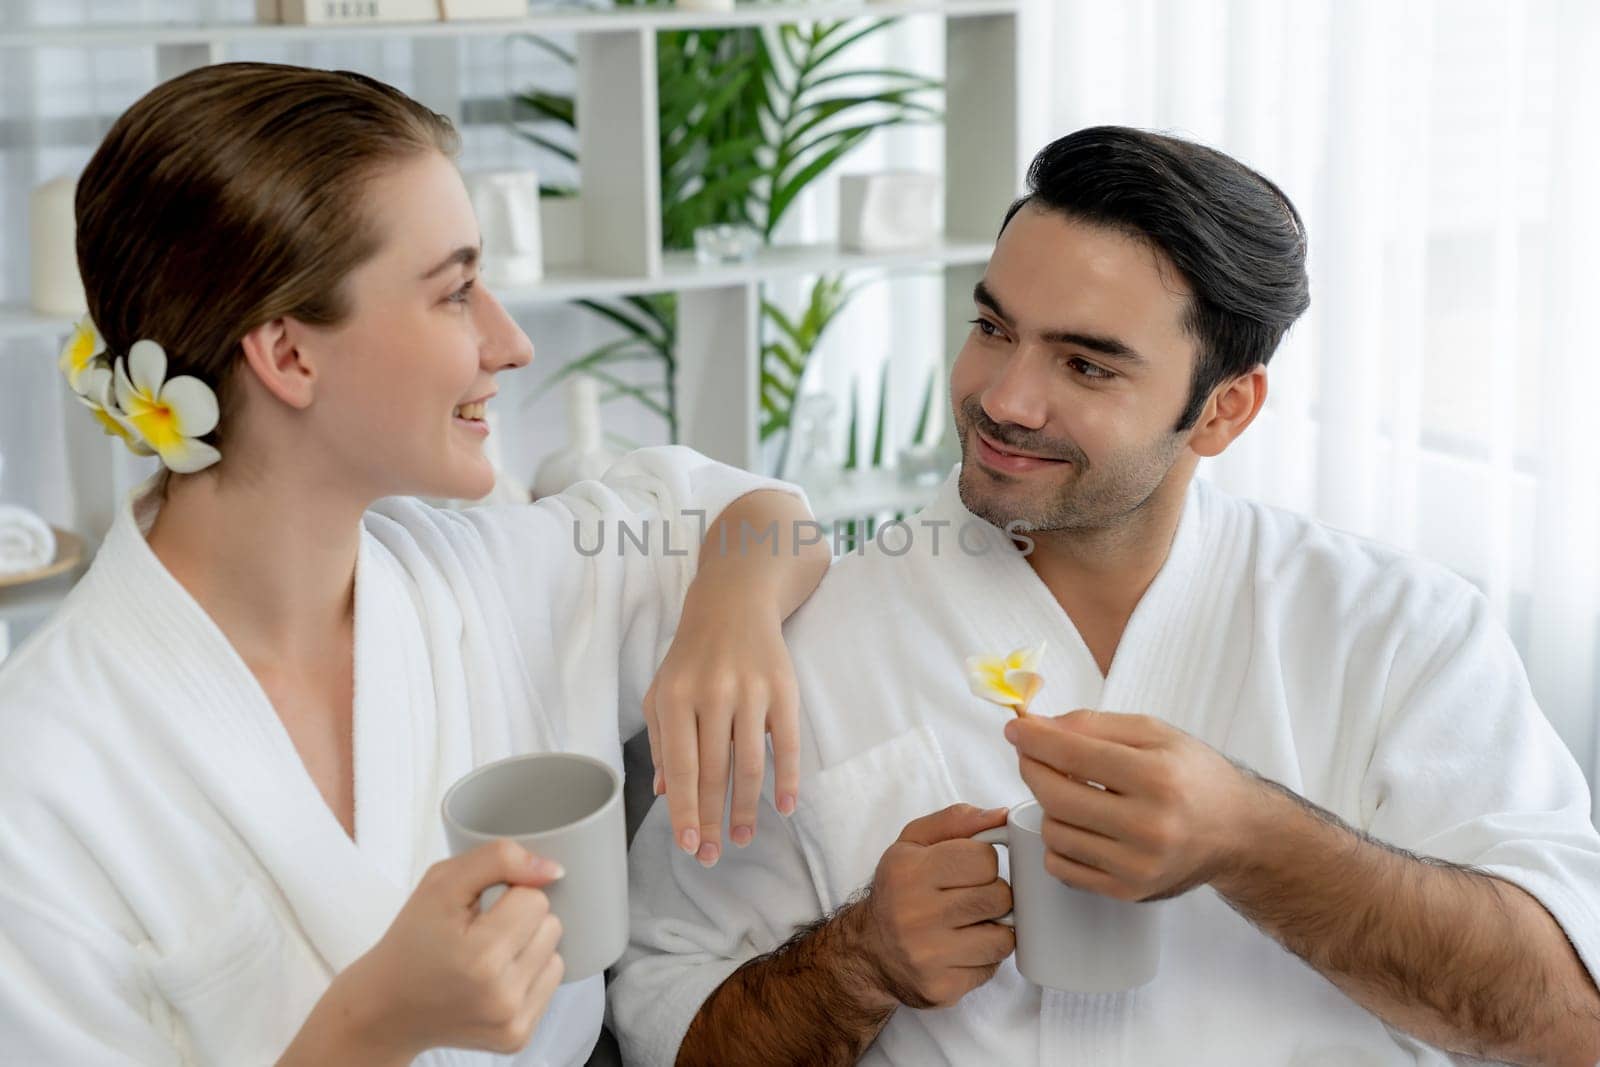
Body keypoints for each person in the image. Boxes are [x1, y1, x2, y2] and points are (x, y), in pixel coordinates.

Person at [611, 127, 1600, 1066]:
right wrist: (855, 961)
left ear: (1222, 409)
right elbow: (664, 1025)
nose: (1004, 397)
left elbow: (1566, 1024)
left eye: (1084, 363)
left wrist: (1255, 841)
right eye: (993, 328)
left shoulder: (1399, 633)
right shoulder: (812, 635)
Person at [0, 62, 830, 1065]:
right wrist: (374, 1024)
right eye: (457, 292)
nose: (511, 343)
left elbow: (755, 513)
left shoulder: (488, 579)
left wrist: (729, 612)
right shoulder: (42, 770)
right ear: (288, 356)